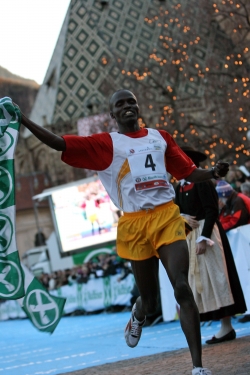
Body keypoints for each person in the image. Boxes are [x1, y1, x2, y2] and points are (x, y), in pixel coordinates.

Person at [15, 89, 229, 375]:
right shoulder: (105, 144)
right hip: (134, 224)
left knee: (181, 287)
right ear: (112, 115)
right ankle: (139, 313)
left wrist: (213, 172)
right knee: (150, 302)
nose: (128, 106)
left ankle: (198, 368)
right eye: (120, 104)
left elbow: (188, 172)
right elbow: (58, 143)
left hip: (166, 216)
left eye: (132, 102)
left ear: (138, 108)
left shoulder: (160, 137)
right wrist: (23, 119)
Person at [175, 146, 246, 345]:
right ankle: (217, 325)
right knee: (200, 282)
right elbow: (176, 211)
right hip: (190, 235)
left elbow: (211, 210)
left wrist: (204, 238)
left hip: (207, 233)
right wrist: (181, 218)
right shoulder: (178, 187)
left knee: (217, 277)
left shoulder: (203, 182)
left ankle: (227, 326)